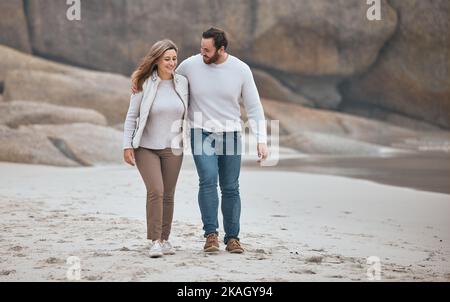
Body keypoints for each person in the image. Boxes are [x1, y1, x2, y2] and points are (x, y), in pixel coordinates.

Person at [176, 27, 269, 254]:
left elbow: (254, 106)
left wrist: (261, 139)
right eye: (201, 48)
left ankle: (233, 238)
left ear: (221, 49)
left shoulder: (240, 69)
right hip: (201, 131)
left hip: (231, 133)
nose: (202, 53)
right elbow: (168, 81)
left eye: (207, 50)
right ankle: (211, 235)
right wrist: (141, 83)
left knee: (230, 187)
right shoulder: (189, 65)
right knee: (207, 180)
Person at [123, 39, 189, 258]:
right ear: (157, 60)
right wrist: (127, 145)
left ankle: (165, 239)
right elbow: (132, 116)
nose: (171, 63)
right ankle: (155, 241)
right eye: (167, 59)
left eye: (174, 59)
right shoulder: (143, 83)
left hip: (174, 148)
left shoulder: (183, 83)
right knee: (156, 191)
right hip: (146, 147)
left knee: (168, 194)